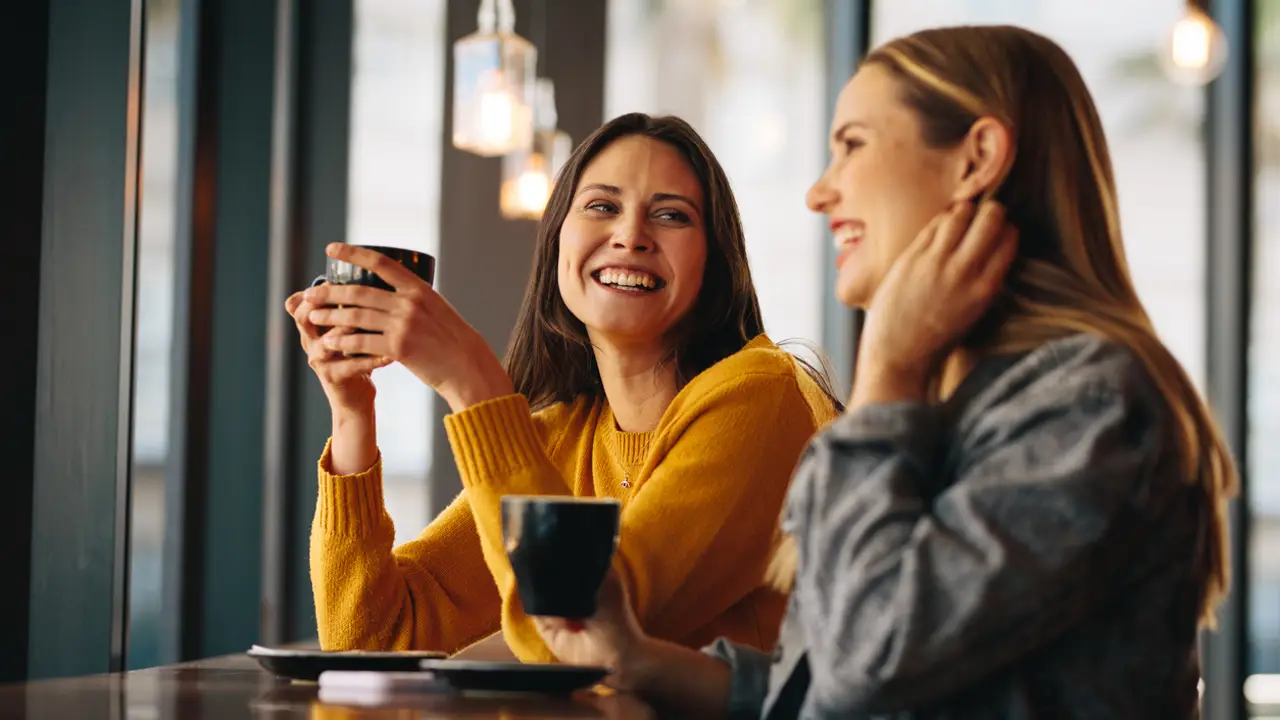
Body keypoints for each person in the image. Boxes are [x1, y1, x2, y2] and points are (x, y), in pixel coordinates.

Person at [532, 25, 1237, 719]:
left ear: (977, 157)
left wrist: (887, 373)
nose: (819, 192)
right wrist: (638, 659)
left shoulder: (1086, 403)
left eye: (852, 146)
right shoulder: (959, 399)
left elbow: (869, 667)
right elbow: (820, 686)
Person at [284, 112, 841, 663]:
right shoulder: (560, 439)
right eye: (602, 206)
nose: (630, 236)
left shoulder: (759, 397)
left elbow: (587, 631)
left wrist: (470, 379)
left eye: (671, 215)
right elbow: (373, 641)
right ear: (557, 243)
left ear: (714, 262)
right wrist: (352, 411)